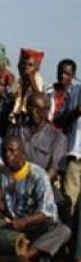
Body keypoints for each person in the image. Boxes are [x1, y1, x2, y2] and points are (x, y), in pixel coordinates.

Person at [10, 93, 66, 194]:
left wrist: (36, 186)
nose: (34, 112)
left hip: (42, 188)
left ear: (46, 110)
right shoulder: (17, 130)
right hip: (15, 182)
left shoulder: (57, 138)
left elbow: (54, 169)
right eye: (31, 107)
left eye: (39, 109)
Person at [55, 75, 81, 213]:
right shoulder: (73, 92)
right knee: (69, 204)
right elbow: (58, 120)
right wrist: (76, 112)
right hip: (75, 158)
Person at [47, 59, 78, 124]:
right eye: (60, 72)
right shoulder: (47, 90)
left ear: (73, 75)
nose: (62, 76)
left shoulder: (76, 94)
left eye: (67, 74)